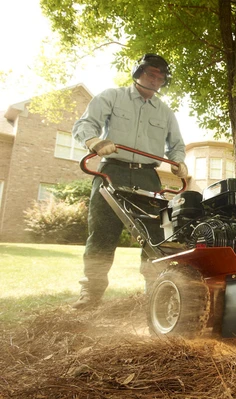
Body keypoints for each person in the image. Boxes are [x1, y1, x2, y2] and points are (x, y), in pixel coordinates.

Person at [71, 53, 188, 310]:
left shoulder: (165, 112)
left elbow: (177, 145)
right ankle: (91, 293)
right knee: (103, 233)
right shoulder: (112, 96)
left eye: (160, 76)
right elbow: (84, 124)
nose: (155, 79)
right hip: (112, 171)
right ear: (138, 72)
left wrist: (178, 162)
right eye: (150, 73)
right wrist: (95, 142)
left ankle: (155, 292)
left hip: (148, 176)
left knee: (155, 236)